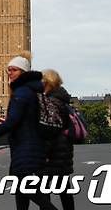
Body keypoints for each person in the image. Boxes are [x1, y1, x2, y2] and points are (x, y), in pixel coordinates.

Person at [0, 52, 58, 210]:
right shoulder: (35, 91)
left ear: (23, 72)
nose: (9, 73)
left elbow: (13, 120)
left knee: (26, 187)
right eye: (8, 70)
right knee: (20, 189)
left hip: (26, 148)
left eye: (14, 70)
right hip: (34, 146)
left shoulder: (22, 92)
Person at [41, 69, 74, 210]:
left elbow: (50, 129)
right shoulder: (64, 100)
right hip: (64, 150)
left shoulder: (51, 102)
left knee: (43, 189)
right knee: (64, 190)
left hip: (53, 152)